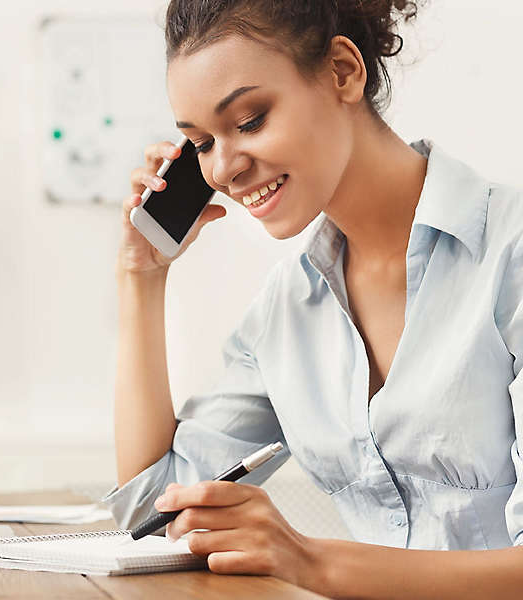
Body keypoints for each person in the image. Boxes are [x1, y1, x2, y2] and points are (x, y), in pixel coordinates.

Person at [104, 1, 523, 597]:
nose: (224, 168)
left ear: (343, 72)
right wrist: (140, 276)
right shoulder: (286, 312)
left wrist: (309, 561)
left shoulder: (511, 254)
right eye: (200, 143)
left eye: (249, 121)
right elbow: (155, 511)